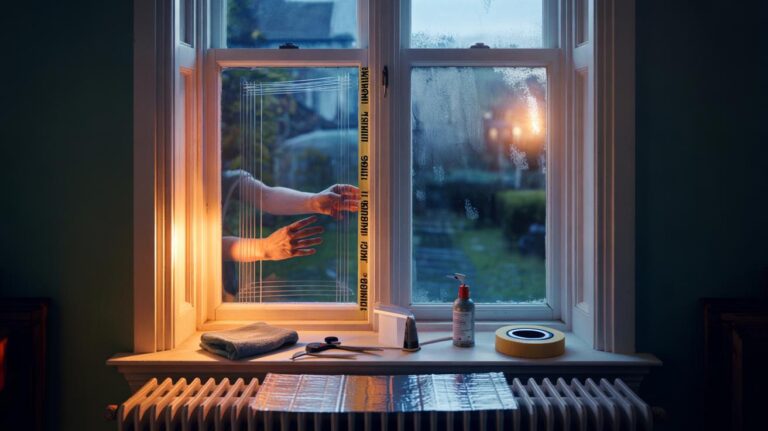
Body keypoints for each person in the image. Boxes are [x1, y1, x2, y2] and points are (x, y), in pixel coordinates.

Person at [221, 169, 360, 300]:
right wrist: (264, 248)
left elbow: (265, 196)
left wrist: (313, 201)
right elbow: (203, 246)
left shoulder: (218, 177)